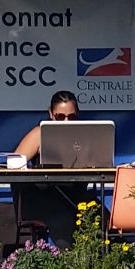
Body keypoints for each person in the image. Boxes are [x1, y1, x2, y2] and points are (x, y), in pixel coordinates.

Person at [11, 90, 87, 250]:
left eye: (71, 117)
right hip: (42, 199)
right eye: (60, 117)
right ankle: (71, 266)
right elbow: (14, 164)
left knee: (104, 218)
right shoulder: (39, 134)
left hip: (75, 198)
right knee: (64, 218)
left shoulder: (87, 136)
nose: (66, 121)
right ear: (51, 114)